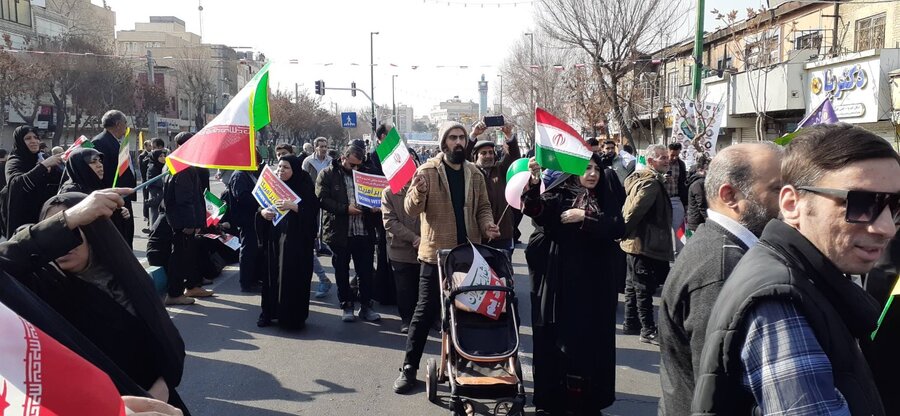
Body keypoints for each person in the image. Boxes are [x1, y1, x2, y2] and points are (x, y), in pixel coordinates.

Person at [693, 123, 899, 415]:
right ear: (791, 204)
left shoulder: (809, 278)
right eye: (861, 203)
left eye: (896, 205)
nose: (887, 228)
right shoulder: (779, 300)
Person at [1, 191, 190, 413]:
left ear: (94, 233)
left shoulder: (128, 276)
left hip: (161, 404)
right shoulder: (41, 287)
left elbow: (169, 339)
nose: (64, 244)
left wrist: (164, 384)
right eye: (58, 232)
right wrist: (69, 219)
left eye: (76, 230)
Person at [657, 143, 783, 416]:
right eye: (777, 189)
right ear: (730, 195)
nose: (789, 200)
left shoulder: (722, 246)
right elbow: (719, 389)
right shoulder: (723, 267)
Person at [393, 120, 500, 394]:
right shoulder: (427, 171)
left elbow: (484, 207)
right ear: (443, 143)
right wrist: (418, 191)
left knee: (467, 312)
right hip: (435, 256)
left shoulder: (474, 172)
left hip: (468, 255)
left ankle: (468, 363)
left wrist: (487, 225)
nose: (458, 142)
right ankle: (408, 368)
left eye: (462, 137)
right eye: (453, 138)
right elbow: (411, 209)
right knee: (424, 312)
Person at [522, 154, 625, 414]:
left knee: (591, 346)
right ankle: (555, 400)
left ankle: (588, 401)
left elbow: (617, 228)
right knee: (559, 343)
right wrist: (534, 181)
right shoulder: (561, 195)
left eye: (596, 169)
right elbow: (536, 211)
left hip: (596, 288)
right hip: (563, 285)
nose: (592, 174)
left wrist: (585, 217)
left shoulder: (605, 197)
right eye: (586, 168)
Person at [316, 145, 380, 322]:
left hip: (363, 231)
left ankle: (366, 306)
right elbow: (322, 199)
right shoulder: (328, 174)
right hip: (339, 232)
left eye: (359, 165)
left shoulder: (367, 173)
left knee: (365, 272)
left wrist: (375, 206)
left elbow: (378, 194)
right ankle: (347, 305)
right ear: (343, 158)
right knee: (341, 272)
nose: (356, 168)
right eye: (352, 165)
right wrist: (345, 209)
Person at [256, 155, 319, 329]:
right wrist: (263, 213)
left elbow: (312, 211)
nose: (281, 170)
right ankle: (268, 313)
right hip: (274, 241)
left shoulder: (304, 186)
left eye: (286, 167)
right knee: (271, 277)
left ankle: (292, 318)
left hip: (296, 244)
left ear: (295, 170)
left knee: (293, 279)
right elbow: (260, 206)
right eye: (279, 167)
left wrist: (294, 206)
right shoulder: (273, 185)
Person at [620, 144, 672, 345]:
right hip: (643, 243)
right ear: (650, 161)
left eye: (667, 157)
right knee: (643, 288)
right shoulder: (650, 183)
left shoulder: (647, 179)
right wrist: (622, 231)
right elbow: (634, 211)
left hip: (638, 242)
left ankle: (631, 323)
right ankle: (648, 330)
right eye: (662, 158)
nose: (667, 160)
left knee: (633, 285)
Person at [162, 132, 213, 304]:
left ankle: (192, 286)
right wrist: (190, 223)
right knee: (179, 257)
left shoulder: (178, 163)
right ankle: (174, 294)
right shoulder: (182, 166)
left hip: (184, 220)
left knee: (189, 255)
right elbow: (184, 199)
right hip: (183, 223)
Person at [2, 126, 64, 237]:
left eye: (36, 137)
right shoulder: (15, 161)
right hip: (24, 219)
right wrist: (43, 166)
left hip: (45, 217)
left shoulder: (43, 157)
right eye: (28, 138)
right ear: (20, 141)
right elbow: (16, 184)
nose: (34, 141)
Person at [470, 122, 520, 258]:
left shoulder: (500, 169)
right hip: (478, 235)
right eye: (483, 153)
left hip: (502, 233)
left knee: (502, 269)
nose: (488, 156)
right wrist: (474, 135)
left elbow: (514, 156)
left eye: (491, 152)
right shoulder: (470, 172)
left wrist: (509, 136)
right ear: (475, 156)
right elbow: (461, 156)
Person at [382, 166, 421, 334]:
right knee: (404, 288)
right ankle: (407, 320)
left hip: (424, 248)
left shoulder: (425, 190)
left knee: (424, 287)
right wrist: (414, 238)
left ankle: (428, 319)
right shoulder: (389, 192)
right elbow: (389, 222)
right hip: (400, 249)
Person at [92, 110, 137, 247]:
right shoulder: (100, 142)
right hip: (113, 197)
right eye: (125, 123)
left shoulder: (116, 142)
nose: (126, 127)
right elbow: (101, 174)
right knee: (119, 239)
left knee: (126, 235)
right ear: (118, 124)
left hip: (122, 196)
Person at [666, 142, 689, 255]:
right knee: (664, 228)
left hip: (676, 199)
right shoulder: (662, 163)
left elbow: (683, 184)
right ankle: (666, 252)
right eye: (672, 155)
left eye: (677, 155)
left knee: (680, 228)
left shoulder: (681, 164)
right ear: (667, 152)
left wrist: (685, 204)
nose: (674, 158)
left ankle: (682, 252)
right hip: (663, 200)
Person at [145, 138, 167, 229]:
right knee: (155, 217)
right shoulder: (152, 168)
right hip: (156, 196)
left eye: (164, 156)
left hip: (163, 197)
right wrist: (166, 180)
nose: (163, 158)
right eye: (160, 156)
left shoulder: (164, 167)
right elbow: (153, 181)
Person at [685, 154, 711, 232]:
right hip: (697, 222)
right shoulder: (699, 183)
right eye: (707, 169)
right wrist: (708, 219)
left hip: (696, 221)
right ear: (700, 170)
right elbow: (702, 204)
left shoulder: (699, 182)